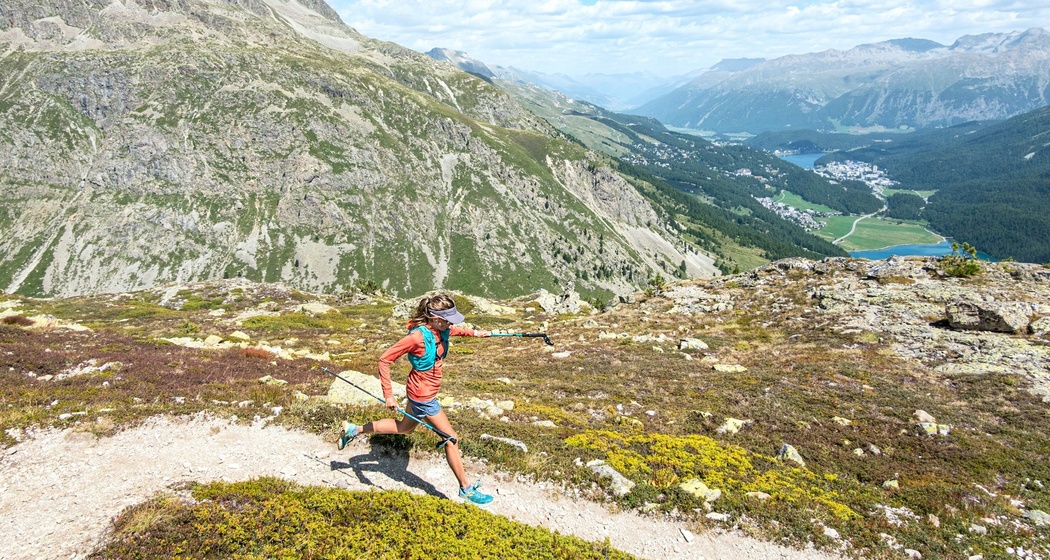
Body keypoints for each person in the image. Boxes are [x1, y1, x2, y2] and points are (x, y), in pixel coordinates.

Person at [338, 294, 494, 505]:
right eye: (447, 319)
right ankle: (465, 489)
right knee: (452, 439)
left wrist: (476, 333)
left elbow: (455, 330)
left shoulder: (440, 329)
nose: (450, 324)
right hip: (423, 397)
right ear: (433, 317)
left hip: (418, 391)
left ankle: (353, 430)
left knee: (404, 428)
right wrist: (389, 394)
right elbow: (385, 359)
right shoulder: (417, 337)